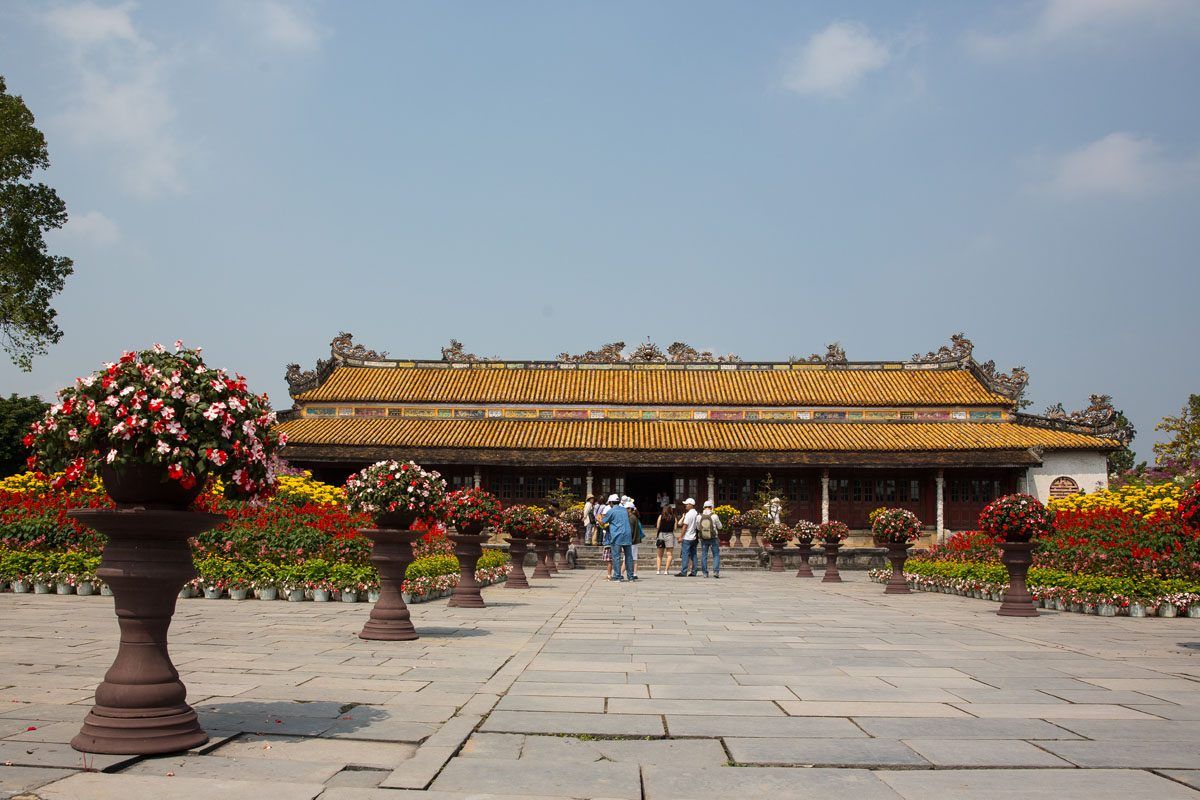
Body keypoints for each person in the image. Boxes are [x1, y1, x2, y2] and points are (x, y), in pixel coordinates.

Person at [607, 494, 634, 581]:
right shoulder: (624, 510)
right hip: (627, 534)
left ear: (611, 502)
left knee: (616, 556)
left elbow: (603, 521)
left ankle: (617, 576)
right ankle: (630, 577)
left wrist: (598, 517)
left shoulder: (611, 511)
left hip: (617, 535)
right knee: (629, 556)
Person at [698, 499, 723, 578]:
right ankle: (716, 572)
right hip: (713, 538)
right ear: (711, 507)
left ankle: (705, 573)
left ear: (704, 507)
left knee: (704, 555)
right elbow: (720, 526)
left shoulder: (699, 516)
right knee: (715, 555)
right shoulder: (714, 516)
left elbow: (698, 528)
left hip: (703, 538)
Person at [675, 498, 699, 577]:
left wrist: (681, 537)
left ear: (691, 505)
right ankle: (694, 571)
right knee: (694, 555)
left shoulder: (689, 514)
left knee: (685, 555)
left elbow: (684, 526)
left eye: (686, 504)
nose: (685, 505)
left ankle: (684, 571)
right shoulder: (696, 513)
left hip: (687, 537)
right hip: (694, 537)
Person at [597, 493, 617, 578]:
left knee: (609, 560)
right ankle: (615, 574)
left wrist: (599, 519)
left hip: (610, 539)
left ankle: (609, 575)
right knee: (615, 559)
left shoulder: (609, 510)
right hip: (616, 538)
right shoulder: (621, 510)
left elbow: (604, 524)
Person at [655, 504, 676, 574]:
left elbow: (658, 526)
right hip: (670, 535)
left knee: (659, 555)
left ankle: (658, 570)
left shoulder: (660, 517)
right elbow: (675, 528)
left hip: (661, 535)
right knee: (669, 554)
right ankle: (666, 570)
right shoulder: (674, 517)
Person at [625, 498, 643, 580]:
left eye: (626, 508)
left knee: (627, 558)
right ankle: (634, 573)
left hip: (631, 541)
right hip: (635, 540)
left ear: (630, 509)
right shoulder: (634, 517)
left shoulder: (631, 518)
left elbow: (630, 531)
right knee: (634, 558)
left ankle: (620, 573)